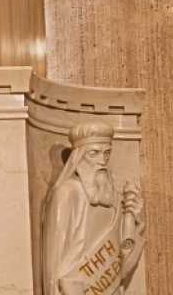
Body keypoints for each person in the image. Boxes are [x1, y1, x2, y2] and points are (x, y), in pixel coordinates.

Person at [41, 122, 145, 294]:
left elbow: (123, 251)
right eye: (94, 153)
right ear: (79, 157)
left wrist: (135, 220)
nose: (102, 161)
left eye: (106, 153)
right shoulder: (67, 192)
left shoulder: (113, 196)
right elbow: (55, 258)